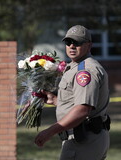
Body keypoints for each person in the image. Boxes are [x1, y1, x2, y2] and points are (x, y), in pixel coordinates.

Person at [34, 25, 110, 160]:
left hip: (84, 141)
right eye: (68, 42)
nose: (72, 46)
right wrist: (56, 100)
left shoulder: (86, 71)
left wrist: (50, 131)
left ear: (89, 45)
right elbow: (78, 101)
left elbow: (83, 109)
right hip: (83, 139)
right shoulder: (76, 66)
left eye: (77, 42)